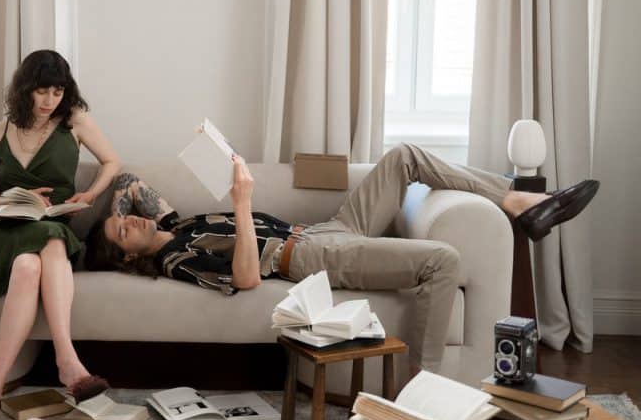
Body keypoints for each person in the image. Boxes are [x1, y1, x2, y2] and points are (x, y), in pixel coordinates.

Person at [84, 143, 599, 376]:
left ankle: (516, 201)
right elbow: (243, 278)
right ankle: (423, 389)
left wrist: (91, 211)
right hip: (308, 255)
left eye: (126, 217)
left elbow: (128, 180)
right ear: (129, 261)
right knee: (442, 260)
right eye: (125, 231)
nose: (132, 219)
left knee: (403, 156)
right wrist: (241, 203)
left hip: (326, 229)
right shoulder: (177, 257)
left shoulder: (173, 223)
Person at [0, 49, 121, 420]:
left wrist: (89, 195)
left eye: (58, 92)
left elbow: (112, 162)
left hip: (52, 225)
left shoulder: (75, 122)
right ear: (25, 90)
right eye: (42, 92)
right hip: (3, 226)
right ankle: (68, 361)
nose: (50, 101)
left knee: (31, 265)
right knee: (45, 243)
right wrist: (13, 196)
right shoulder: (0, 131)